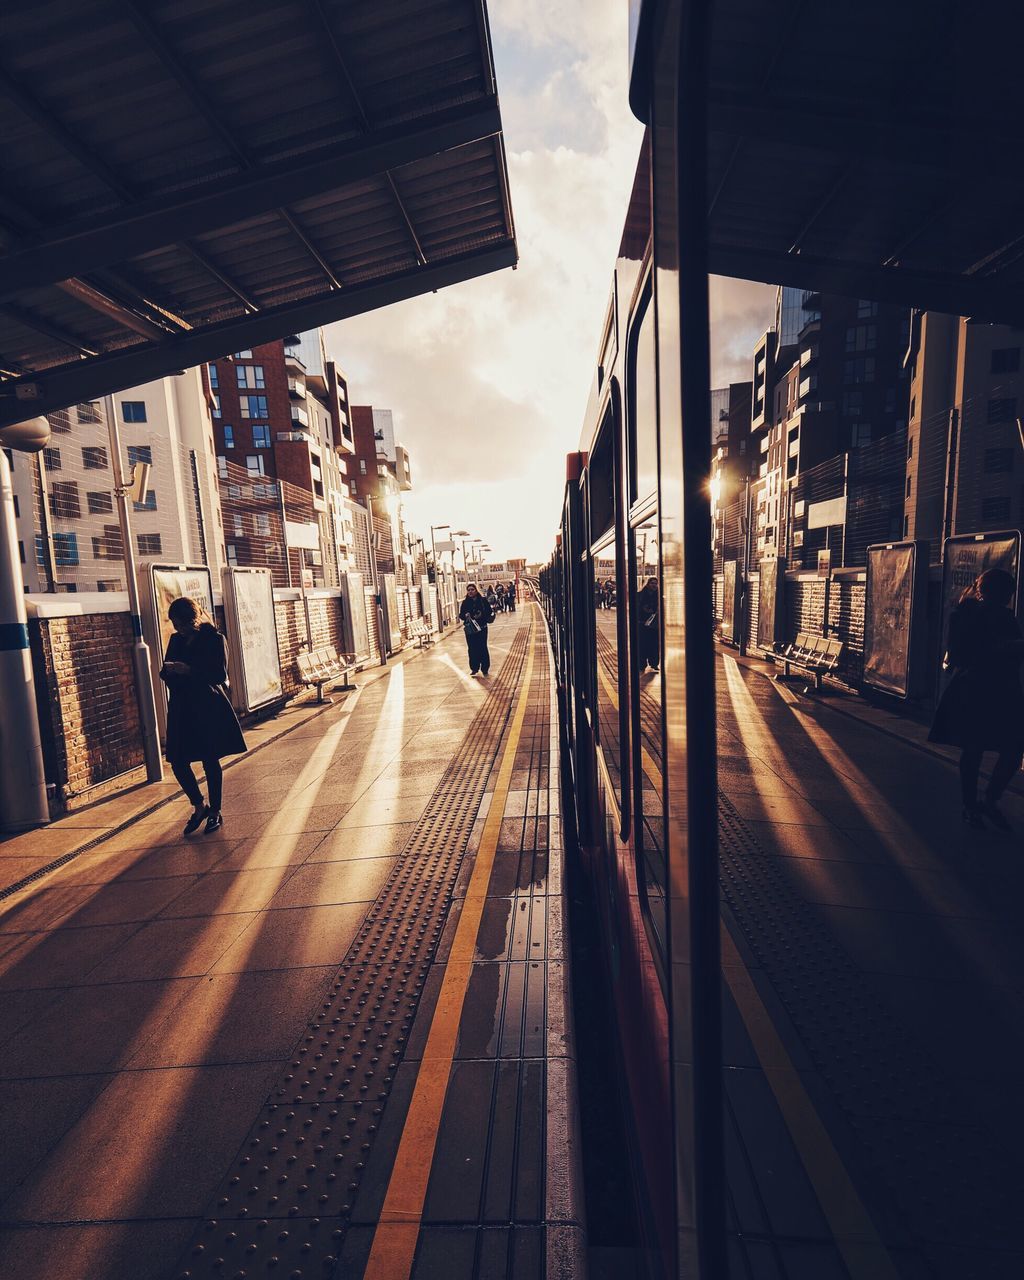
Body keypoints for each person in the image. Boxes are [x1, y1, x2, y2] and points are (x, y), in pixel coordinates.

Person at [929, 568, 1024, 830]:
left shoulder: (975, 614)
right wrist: (1002, 649)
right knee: (1007, 749)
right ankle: (983, 802)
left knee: (976, 749)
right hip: (989, 690)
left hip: (977, 690)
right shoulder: (973, 616)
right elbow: (961, 652)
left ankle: (973, 805)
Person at [160, 596, 247, 836]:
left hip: (207, 706)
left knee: (210, 759)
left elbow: (218, 674)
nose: (177, 629)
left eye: (179, 624)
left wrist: (188, 670)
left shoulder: (215, 639)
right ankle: (199, 806)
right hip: (182, 707)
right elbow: (165, 671)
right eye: (174, 624)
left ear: (192, 620)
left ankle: (215, 811)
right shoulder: (176, 640)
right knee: (178, 761)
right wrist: (170, 671)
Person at [459, 582, 494, 676]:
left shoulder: (482, 600)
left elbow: (489, 611)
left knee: (482, 647)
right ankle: (474, 668)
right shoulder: (465, 602)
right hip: (470, 629)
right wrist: (465, 615)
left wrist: (481, 614)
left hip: (482, 627)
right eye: (469, 590)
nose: (470, 592)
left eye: (472, 590)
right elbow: (461, 615)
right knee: (472, 648)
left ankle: (485, 668)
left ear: (476, 590)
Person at [637, 576, 660, 672]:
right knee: (643, 645)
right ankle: (642, 664)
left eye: (655, 583)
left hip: (654, 625)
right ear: (648, 584)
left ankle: (654, 663)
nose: (654, 585)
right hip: (642, 623)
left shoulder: (659, 596)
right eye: (652, 583)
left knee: (654, 644)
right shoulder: (640, 595)